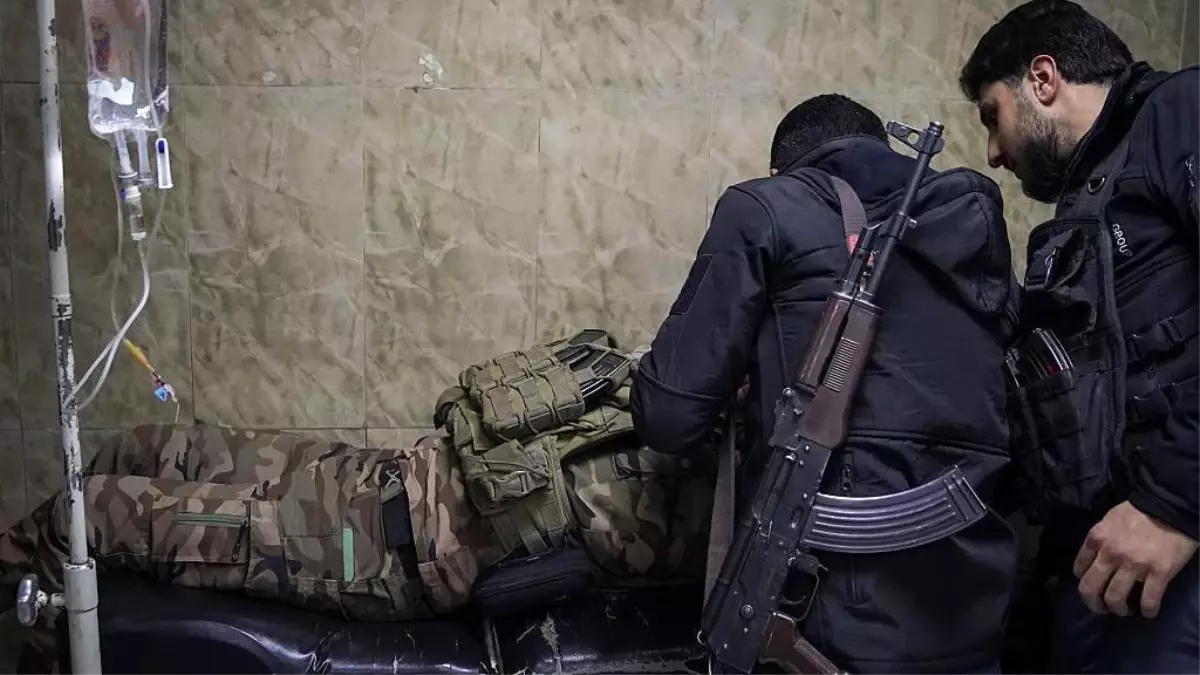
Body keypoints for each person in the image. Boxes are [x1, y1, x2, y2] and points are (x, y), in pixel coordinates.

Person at [0, 329, 714, 672]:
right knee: (139, 449)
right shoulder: (677, 393)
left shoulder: (704, 500)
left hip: (369, 553)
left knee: (87, 517)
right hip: (381, 478)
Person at [629, 93, 1022, 675]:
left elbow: (668, 418)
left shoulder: (764, 206)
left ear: (782, 169)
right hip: (978, 592)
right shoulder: (972, 226)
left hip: (833, 609)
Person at [959, 1, 1200, 673]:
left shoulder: (1179, 113)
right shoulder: (1090, 196)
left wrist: (1174, 505)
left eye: (992, 116)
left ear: (1042, 79)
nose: (993, 152)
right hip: (1105, 561)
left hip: (1173, 547)